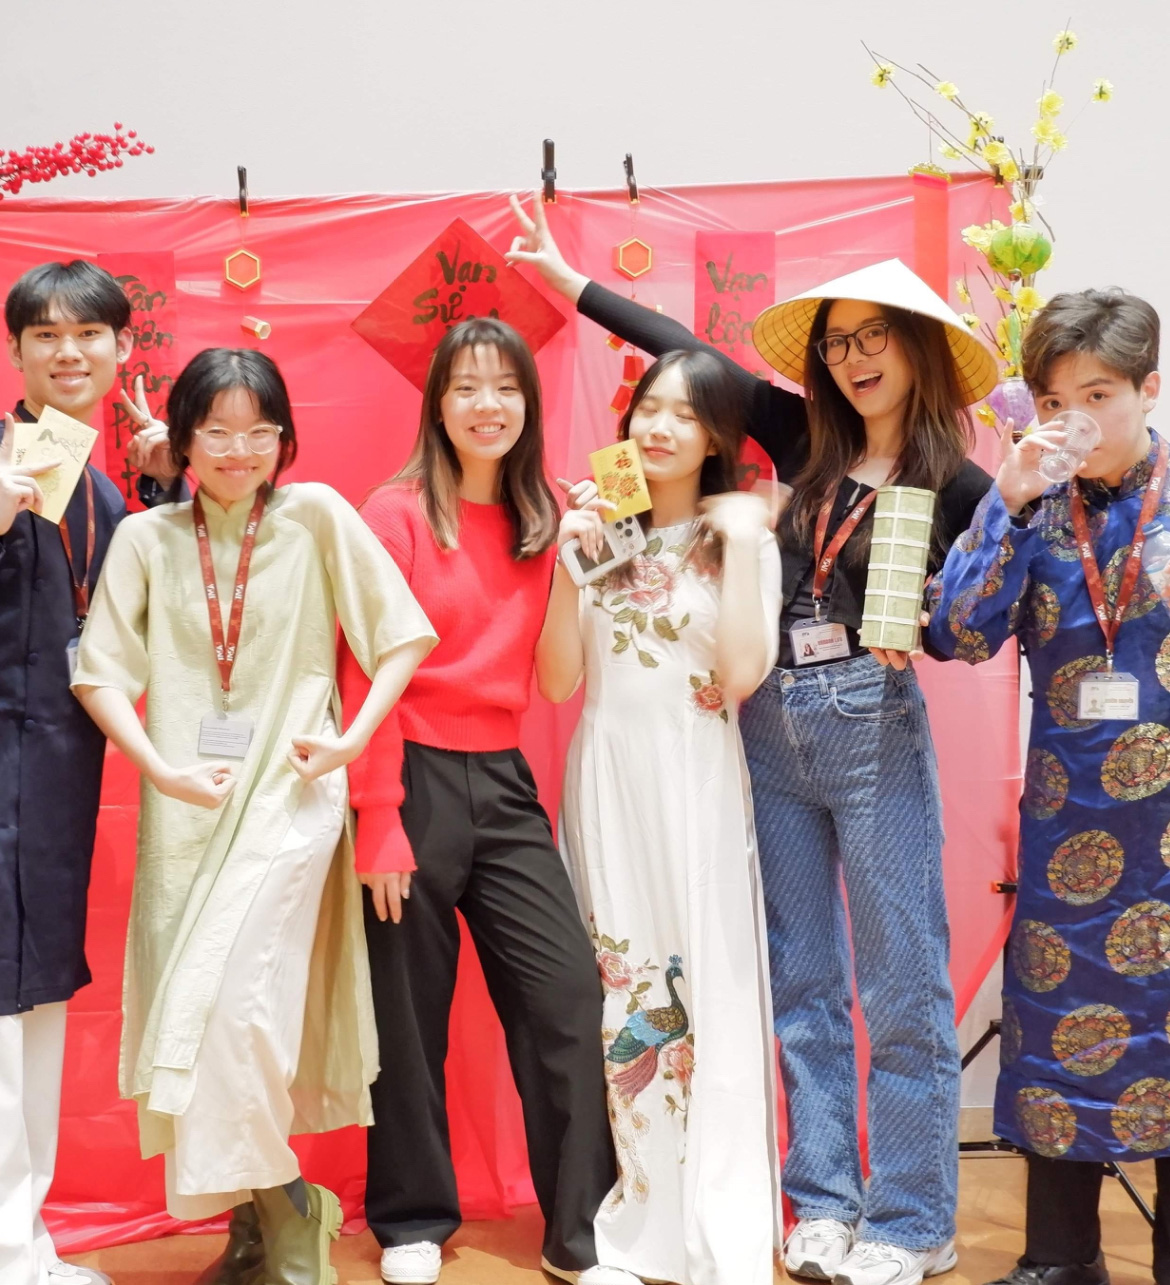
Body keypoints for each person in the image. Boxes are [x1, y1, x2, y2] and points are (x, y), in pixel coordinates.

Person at [508, 195, 999, 1285]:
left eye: (876, 337)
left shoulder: (956, 483)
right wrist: (567, 284)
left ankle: (913, 1218)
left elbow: (988, 609)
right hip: (768, 725)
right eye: (839, 341)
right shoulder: (804, 439)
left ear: (916, 352)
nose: (856, 358)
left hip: (872, 723)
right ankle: (822, 1201)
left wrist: (935, 618)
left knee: (902, 983)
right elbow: (687, 361)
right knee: (804, 979)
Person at [71, 348, 437, 1285]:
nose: (239, 450)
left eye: (259, 431)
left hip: (291, 798)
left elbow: (401, 634)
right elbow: (101, 671)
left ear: (284, 437)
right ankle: (254, 1223)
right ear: (181, 438)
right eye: (217, 431)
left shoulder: (315, 516)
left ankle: (294, 1209)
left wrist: (351, 742)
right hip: (183, 808)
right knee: (192, 1016)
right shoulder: (148, 539)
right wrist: (157, 765)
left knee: (238, 1012)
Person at [339, 317, 634, 1285]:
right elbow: (363, 671)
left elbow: (554, 682)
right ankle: (413, 1218)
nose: (487, 405)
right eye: (466, 387)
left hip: (504, 779)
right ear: (437, 403)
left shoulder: (549, 512)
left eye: (506, 388)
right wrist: (376, 814)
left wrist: (572, 569)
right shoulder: (390, 516)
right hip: (409, 772)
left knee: (566, 1001)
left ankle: (580, 1229)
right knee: (408, 1012)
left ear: (529, 405)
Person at [930, 289, 1170, 1285]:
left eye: (1099, 393)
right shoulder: (1031, 506)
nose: (1074, 416)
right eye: (1054, 397)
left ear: (1148, 390)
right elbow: (957, 630)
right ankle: (1062, 1256)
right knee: (1063, 1038)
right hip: (1068, 824)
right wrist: (1007, 498)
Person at [537, 349, 782, 1285]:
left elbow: (740, 679)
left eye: (684, 413)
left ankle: (711, 1212)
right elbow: (558, 680)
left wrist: (751, 543)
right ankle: (641, 1205)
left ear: (717, 435)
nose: (659, 426)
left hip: (697, 777)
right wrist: (571, 562)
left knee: (706, 988)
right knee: (625, 996)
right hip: (607, 775)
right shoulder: (604, 534)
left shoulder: (733, 540)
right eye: (647, 407)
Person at [0, 259, 183, 1285]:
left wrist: (161, 486)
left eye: (88, 335)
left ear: (122, 349)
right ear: (17, 350)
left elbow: (145, 616)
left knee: (36, 1004)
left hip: (58, 777)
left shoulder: (99, 480)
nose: (68, 353)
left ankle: (24, 1240)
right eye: (45, 336)